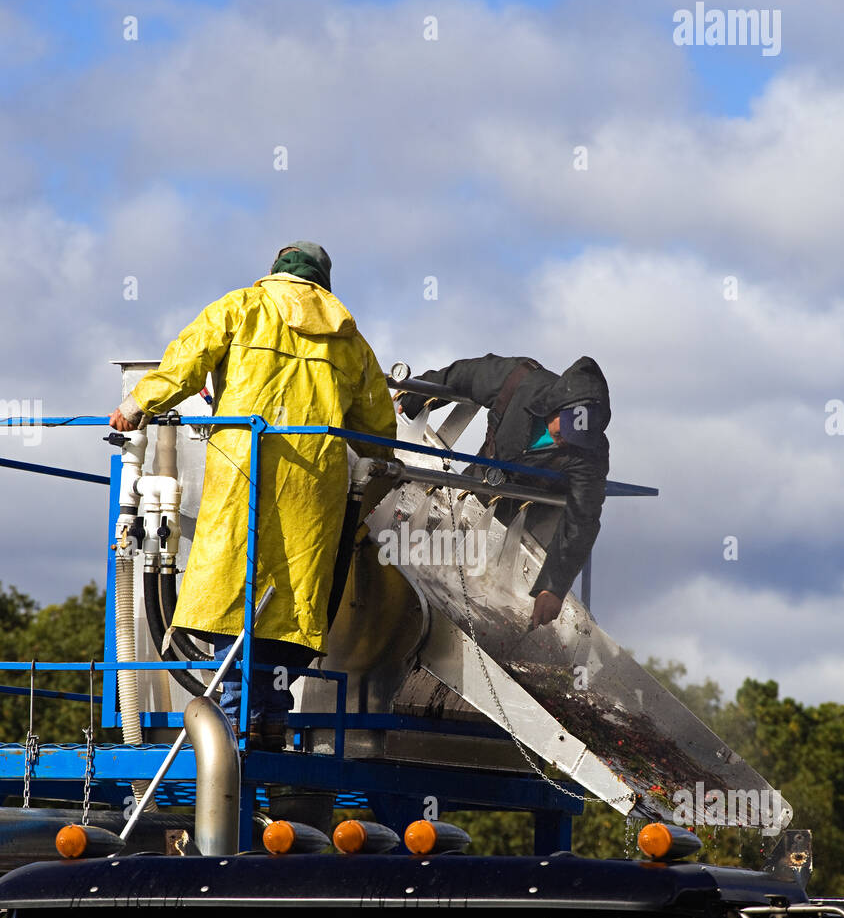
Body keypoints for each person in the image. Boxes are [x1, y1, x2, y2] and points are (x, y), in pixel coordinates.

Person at [109, 241, 397, 749]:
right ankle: (267, 718)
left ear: (275, 273)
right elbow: (377, 429)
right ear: (322, 283)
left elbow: (186, 364)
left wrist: (136, 405)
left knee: (229, 594)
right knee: (294, 602)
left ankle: (238, 725)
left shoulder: (242, 306)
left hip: (243, 471)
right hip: (314, 484)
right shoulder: (350, 341)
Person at [398, 353, 609, 627]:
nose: (568, 441)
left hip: (524, 525)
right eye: (566, 429)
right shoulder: (517, 379)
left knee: (485, 595)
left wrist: (553, 588)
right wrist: (412, 398)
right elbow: (463, 376)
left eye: (579, 438)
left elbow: (583, 518)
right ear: (556, 405)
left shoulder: (591, 453)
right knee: (425, 552)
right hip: (476, 489)